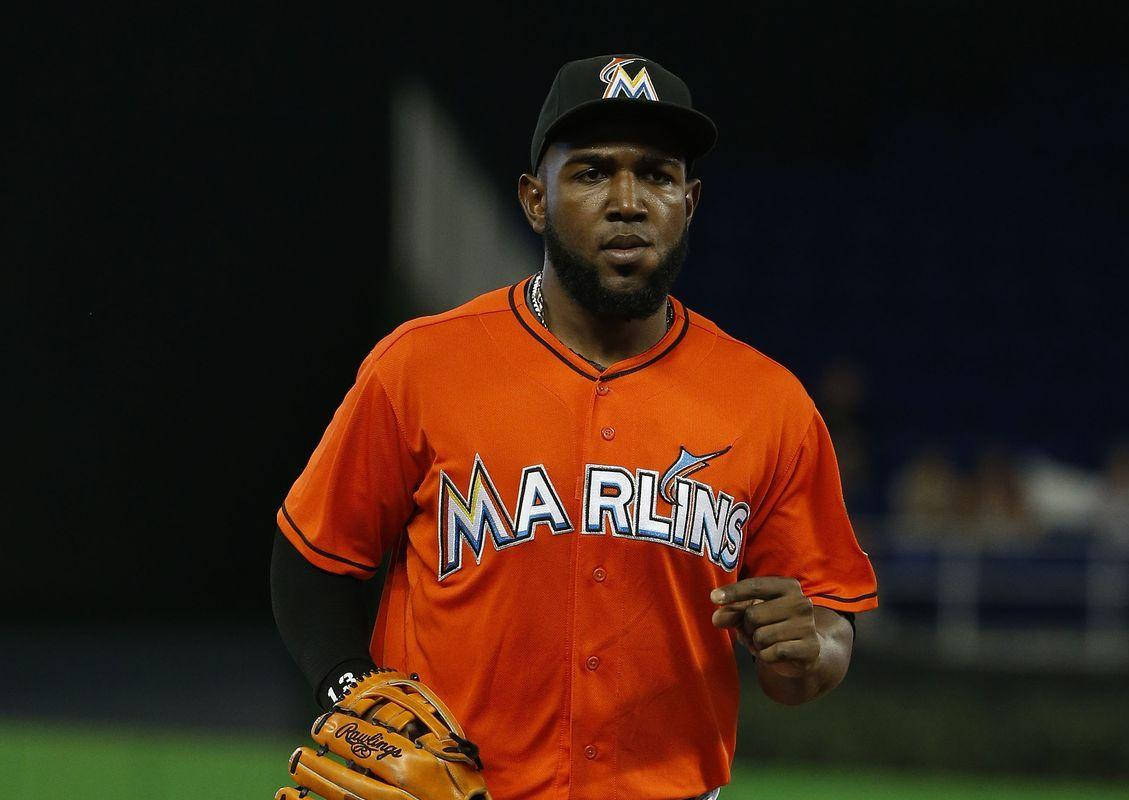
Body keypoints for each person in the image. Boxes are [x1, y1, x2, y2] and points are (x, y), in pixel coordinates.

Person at [271, 54, 877, 800]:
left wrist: (810, 649)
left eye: (656, 174)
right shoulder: (420, 366)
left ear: (689, 202)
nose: (628, 200)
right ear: (534, 199)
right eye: (591, 172)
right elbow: (311, 559)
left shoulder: (769, 403)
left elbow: (826, 630)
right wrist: (350, 690)